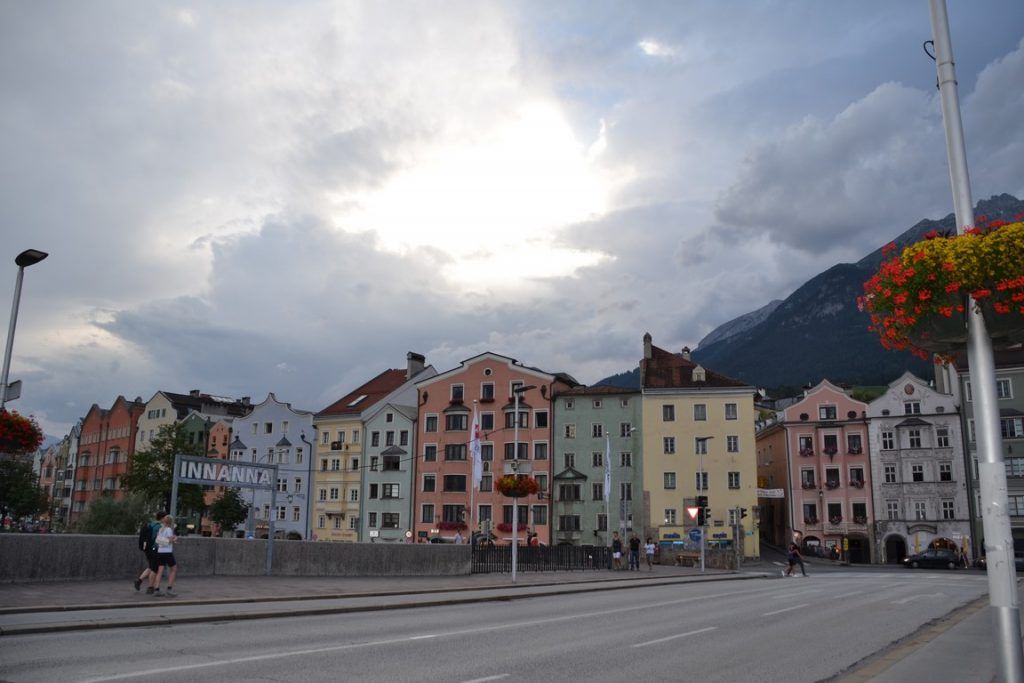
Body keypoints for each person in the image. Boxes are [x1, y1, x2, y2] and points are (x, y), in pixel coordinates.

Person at [135, 511, 165, 593]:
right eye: (165, 518)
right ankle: (150, 588)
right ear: (162, 518)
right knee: (154, 569)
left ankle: (139, 581)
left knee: (151, 566)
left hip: (147, 549)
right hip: (154, 549)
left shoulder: (151, 524)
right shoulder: (159, 527)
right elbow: (159, 540)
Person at [150, 514, 179, 597]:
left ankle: (157, 589)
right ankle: (169, 589)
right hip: (167, 552)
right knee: (173, 569)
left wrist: (172, 538)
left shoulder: (161, 529)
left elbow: (161, 540)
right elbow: (169, 541)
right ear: (171, 522)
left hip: (160, 552)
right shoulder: (169, 529)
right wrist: (175, 539)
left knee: (159, 571)